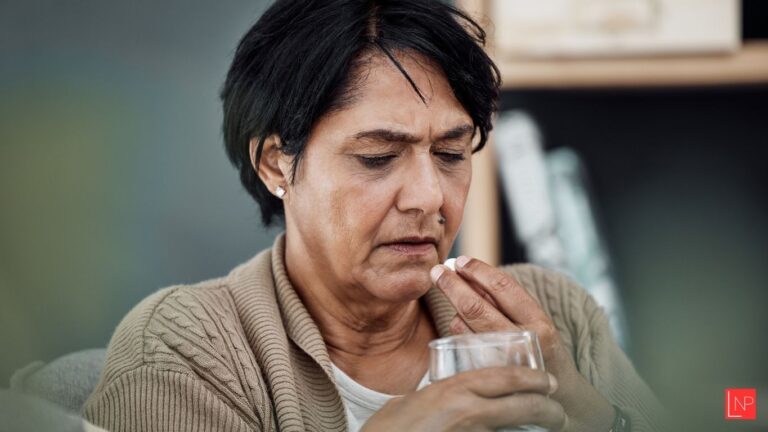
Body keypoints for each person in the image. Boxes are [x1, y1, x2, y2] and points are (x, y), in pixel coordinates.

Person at [83, 0, 662, 430]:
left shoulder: (553, 317)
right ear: (275, 165)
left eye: (451, 154)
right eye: (378, 157)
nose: (429, 197)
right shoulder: (192, 349)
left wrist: (592, 413)